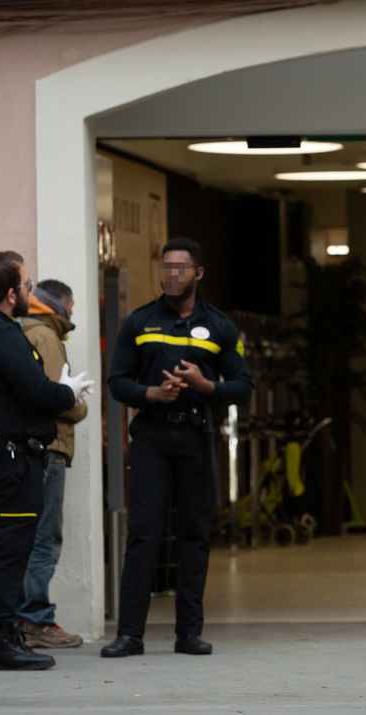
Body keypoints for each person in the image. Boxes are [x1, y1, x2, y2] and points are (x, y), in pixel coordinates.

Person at [102, 237, 253, 658]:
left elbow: (243, 387)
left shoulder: (220, 326)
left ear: (198, 273)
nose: (172, 275)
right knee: (144, 534)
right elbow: (117, 381)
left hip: (195, 436)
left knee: (194, 535)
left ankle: (189, 633)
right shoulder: (139, 322)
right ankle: (130, 634)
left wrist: (209, 387)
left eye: (181, 268)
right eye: (166, 267)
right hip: (150, 437)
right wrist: (151, 394)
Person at [0, 251, 93, 671]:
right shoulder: (4, 335)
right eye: (27, 285)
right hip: (10, 461)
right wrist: (68, 392)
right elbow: (37, 394)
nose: (30, 291)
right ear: (11, 294)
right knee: (7, 551)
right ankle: (0, 641)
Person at [15, 280, 87, 648]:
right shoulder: (45, 336)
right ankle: (36, 619)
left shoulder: (20, 331)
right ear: (58, 305)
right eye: (71, 306)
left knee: (26, 535)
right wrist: (82, 404)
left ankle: (22, 619)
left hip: (28, 447)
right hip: (50, 446)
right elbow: (58, 396)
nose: (72, 313)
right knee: (44, 538)